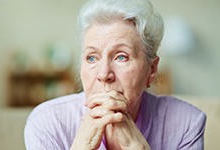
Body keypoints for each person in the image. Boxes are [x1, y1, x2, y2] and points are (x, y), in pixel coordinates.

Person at [24, 0, 206, 149]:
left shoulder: (187, 123)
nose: (104, 74)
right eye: (92, 58)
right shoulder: (46, 123)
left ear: (151, 70)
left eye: (121, 57)